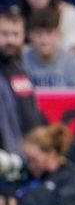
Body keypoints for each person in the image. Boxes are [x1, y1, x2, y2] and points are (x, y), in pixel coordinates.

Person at [0, 10, 45, 153]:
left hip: (27, 155)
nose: (10, 40)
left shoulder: (20, 68)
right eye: (4, 34)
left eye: (15, 34)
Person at [21, 9, 75, 88]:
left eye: (49, 33)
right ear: (29, 36)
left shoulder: (74, 66)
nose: (44, 39)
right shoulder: (20, 64)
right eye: (38, 33)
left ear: (58, 34)